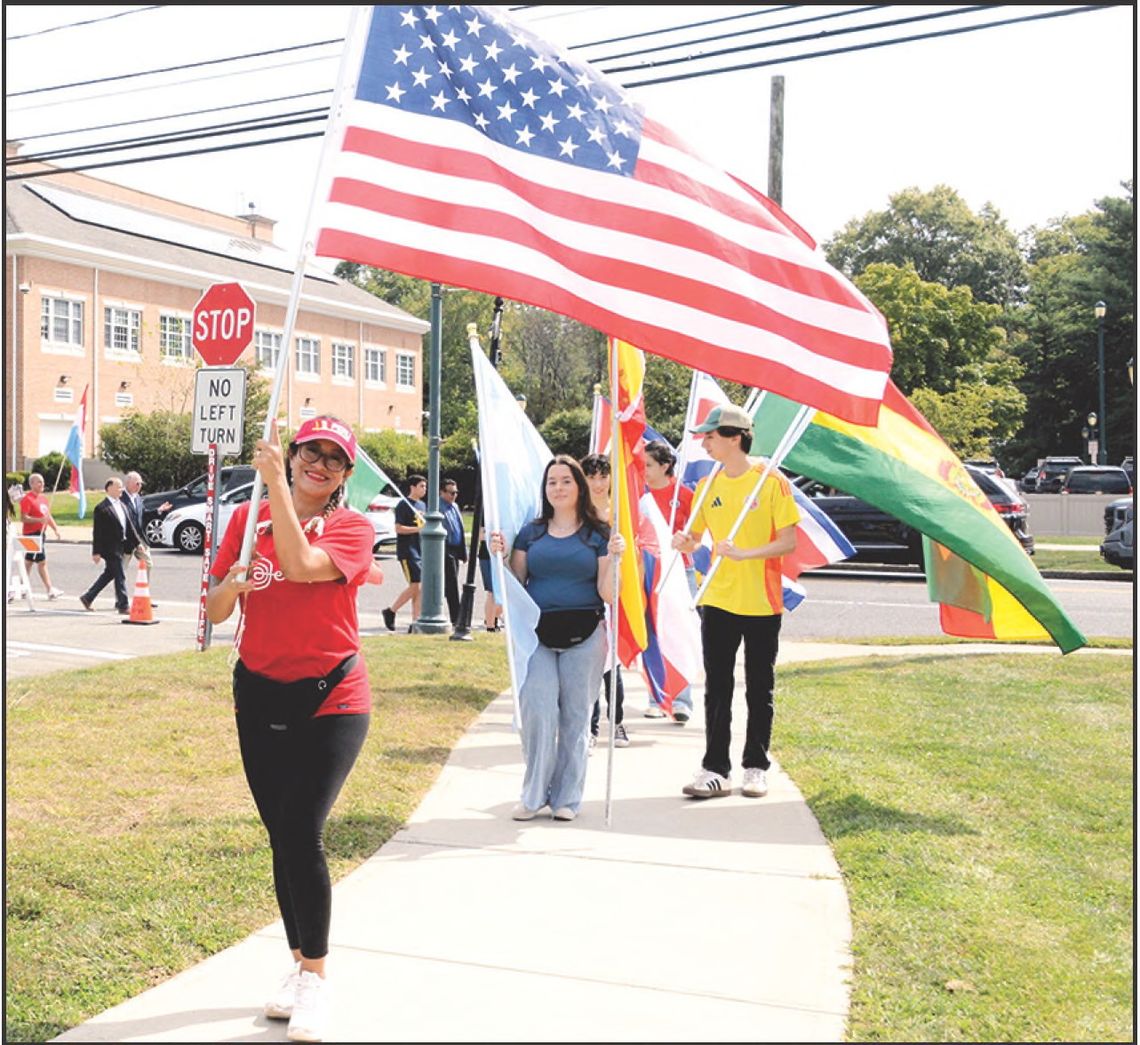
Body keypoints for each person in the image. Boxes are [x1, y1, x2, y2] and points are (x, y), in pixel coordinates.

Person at [206, 414, 373, 1043]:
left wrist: (273, 482)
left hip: (333, 699)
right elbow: (218, 608)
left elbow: (303, 566)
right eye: (310, 452)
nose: (319, 465)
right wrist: (231, 582)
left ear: (344, 475)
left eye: (334, 459)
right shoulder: (246, 524)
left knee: (303, 830)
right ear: (296, 452)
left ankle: (317, 979)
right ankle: (299, 963)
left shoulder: (352, 527)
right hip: (259, 695)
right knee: (282, 837)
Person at [670, 404, 799, 800]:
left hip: (761, 601)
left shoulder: (770, 481)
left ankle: (756, 766)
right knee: (717, 686)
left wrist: (745, 553)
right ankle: (715, 769)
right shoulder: (709, 483)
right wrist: (685, 541)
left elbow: (789, 541)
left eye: (710, 436)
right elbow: (695, 535)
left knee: (760, 687)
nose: (704, 442)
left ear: (734, 437)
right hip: (719, 597)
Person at [488, 455, 625, 822]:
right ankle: (534, 795)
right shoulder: (530, 533)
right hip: (538, 636)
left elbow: (608, 594)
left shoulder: (599, 534)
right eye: (552, 482)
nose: (559, 488)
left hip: (586, 634)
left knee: (576, 718)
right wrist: (499, 559)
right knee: (537, 710)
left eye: (566, 481)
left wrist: (615, 559)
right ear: (544, 489)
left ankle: (567, 798)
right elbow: (515, 587)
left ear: (579, 486)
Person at [642, 440, 696, 724]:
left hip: (680, 571)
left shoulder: (685, 495)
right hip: (648, 571)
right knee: (651, 632)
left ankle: (683, 701)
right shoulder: (639, 495)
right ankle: (657, 698)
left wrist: (687, 543)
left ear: (665, 466)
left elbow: (699, 537)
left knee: (680, 632)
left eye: (648, 465)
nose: (643, 470)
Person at [580, 452, 628, 750]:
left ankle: (618, 721)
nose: (598, 483)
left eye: (603, 476)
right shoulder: (579, 514)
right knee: (589, 665)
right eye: (591, 477)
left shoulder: (620, 512)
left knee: (613, 665)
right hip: (586, 596)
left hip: (614, 596)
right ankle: (591, 725)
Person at [80, 477, 134, 613]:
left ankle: (88, 597)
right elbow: (97, 532)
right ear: (109, 488)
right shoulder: (102, 508)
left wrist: (135, 543)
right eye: (118, 486)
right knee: (120, 575)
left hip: (121, 546)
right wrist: (96, 552)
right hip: (109, 548)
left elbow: (127, 526)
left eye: (122, 487)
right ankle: (123, 605)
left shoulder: (122, 505)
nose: (121, 489)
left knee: (110, 574)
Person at [382, 475, 426, 632]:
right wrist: (418, 529)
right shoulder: (403, 505)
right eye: (421, 486)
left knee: (418, 588)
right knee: (416, 586)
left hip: (420, 550)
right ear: (412, 487)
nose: (424, 489)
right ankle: (391, 611)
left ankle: (415, 621)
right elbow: (398, 528)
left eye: (425, 486)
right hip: (408, 551)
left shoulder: (422, 505)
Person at [18, 472, 63, 600]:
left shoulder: (43, 498)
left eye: (42, 482)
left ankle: (22, 587)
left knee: (29, 562)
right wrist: (39, 520)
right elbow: (23, 518)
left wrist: (55, 529)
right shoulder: (27, 499)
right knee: (42, 562)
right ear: (32, 484)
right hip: (31, 534)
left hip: (41, 533)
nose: (42, 484)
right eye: (38, 482)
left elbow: (47, 516)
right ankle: (50, 589)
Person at [439, 478, 467, 625]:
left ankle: (455, 616)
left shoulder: (454, 506)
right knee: (451, 586)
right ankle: (457, 619)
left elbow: (459, 530)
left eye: (456, 492)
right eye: (450, 493)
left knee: (449, 585)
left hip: (455, 550)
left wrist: (463, 552)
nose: (454, 495)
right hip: (444, 549)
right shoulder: (437, 507)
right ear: (442, 492)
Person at [477, 530, 502, 631]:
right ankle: (490, 626)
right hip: (487, 556)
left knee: (504, 592)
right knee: (493, 591)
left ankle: (492, 618)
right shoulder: (485, 514)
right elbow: (480, 535)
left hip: (503, 555)